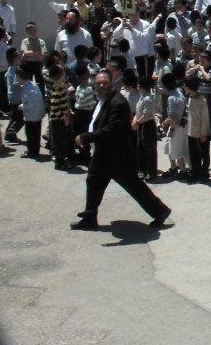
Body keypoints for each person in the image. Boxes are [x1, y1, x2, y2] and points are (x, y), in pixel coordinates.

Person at [71, 71, 171, 230]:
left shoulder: (118, 103)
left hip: (117, 156)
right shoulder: (104, 100)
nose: (102, 85)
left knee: (134, 186)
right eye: (99, 83)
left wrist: (87, 137)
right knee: (94, 181)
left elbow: (112, 130)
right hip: (105, 153)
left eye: (105, 82)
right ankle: (90, 217)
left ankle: (160, 211)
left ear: (112, 83)